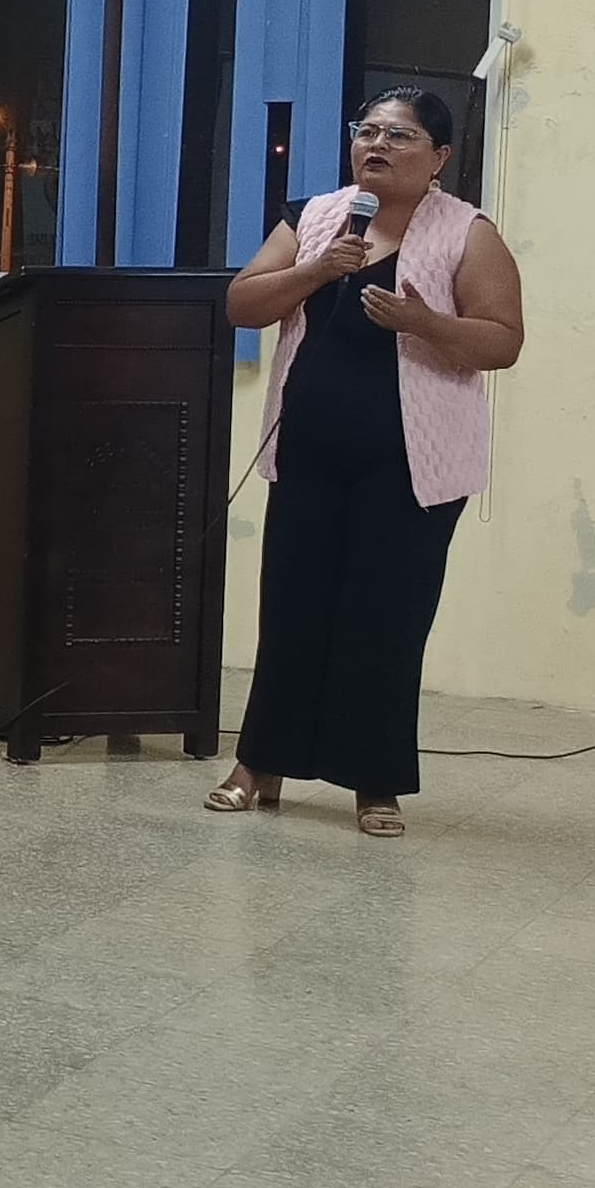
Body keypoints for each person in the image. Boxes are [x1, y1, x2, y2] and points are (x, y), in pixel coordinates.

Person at [210, 87, 522, 836]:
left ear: (439, 157)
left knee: (384, 623)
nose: (377, 145)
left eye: (400, 135)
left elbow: (503, 341)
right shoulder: (316, 218)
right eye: (368, 131)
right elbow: (242, 304)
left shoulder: (468, 232)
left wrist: (422, 321)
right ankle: (260, 764)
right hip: (308, 454)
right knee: (292, 613)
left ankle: (374, 783)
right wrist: (315, 271)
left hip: (412, 467)